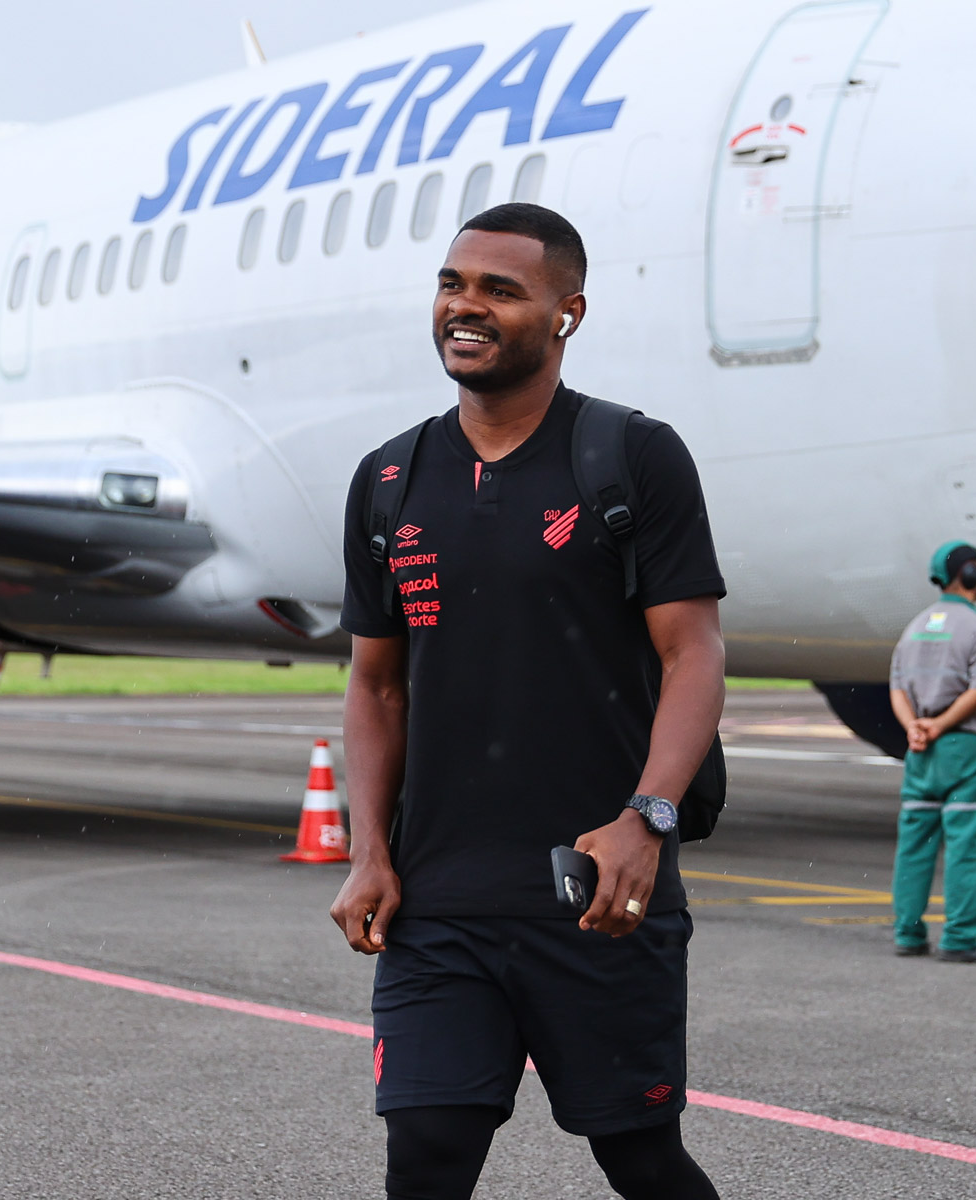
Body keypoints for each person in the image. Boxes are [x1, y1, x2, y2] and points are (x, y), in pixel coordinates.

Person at [327, 202, 728, 1200]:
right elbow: (376, 684)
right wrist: (369, 850)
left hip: (597, 892)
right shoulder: (388, 480)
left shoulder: (631, 456)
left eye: (500, 290)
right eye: (452, 284)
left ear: (566, 314)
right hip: (438, 901)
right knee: (425, 1157)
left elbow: (693, 654)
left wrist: (647, 820)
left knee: (640, 1158)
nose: (465, 306)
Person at [886, 539, 976, 964]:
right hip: (964, 746)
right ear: (969, 573)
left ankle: (908, 933)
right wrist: (940, 725)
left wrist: (915, 728)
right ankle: (959, 938)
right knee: (968, 843)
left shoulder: (914, 627)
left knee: (914, 843)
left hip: (920, 750)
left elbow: (898, 689)